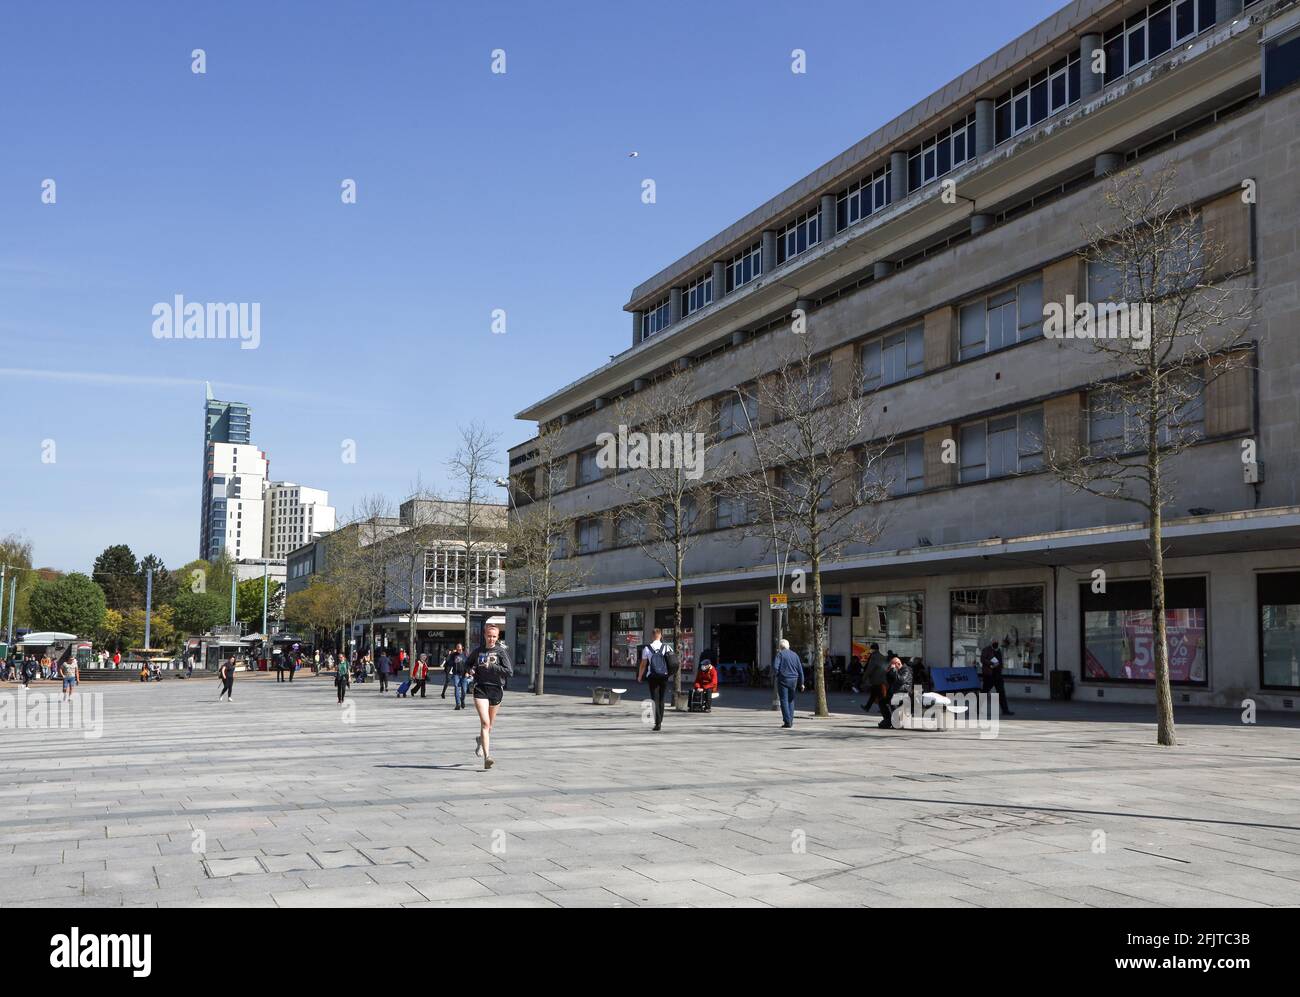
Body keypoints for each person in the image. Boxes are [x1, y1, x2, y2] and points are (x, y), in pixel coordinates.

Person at [467, 624, 513, 770]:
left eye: (494, 636)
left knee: (489, 725)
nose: (491, 639)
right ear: (484, 635)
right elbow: (466, 664)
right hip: (480, 688)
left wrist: (491, 666)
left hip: (496, 690)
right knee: (485, 724)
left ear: (497, 637)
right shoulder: (478, 651)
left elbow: (509, 671)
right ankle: (487, 757)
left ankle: (480, 740)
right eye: (489, 635)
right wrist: (471, 670)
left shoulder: (501, 652)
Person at [636, 628, 675, 732]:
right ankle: (660, 720)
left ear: (652, 636)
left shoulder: (647, 648)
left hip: (652, 676)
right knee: (662, 699)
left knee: (655, 699)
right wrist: (670, 674)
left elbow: (643, 664)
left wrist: (640, 676)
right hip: (664, 676)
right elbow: (673, 662)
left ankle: (657, 723)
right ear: (661, 636)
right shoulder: (667, 647)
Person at [772, 638, 805, 729]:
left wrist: (777, 675)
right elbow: (800, 670)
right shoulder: (795, 655)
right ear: (788, 646)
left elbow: (775, 667)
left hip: (783, 680)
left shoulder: (780, 654)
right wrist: (801, 683)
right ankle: (790, 719)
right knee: (791, 700)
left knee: (784, 700)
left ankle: (787, 721)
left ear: (780, 647)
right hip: (794, 680)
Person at [980, 640, 1014, 715]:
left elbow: (1000, 661)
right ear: (992, 642)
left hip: (998, 675)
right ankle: (977, 709)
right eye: (994, 641)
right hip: (989, 675)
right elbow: (982, 659)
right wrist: (991, 663)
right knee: (984, 692)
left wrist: (1000, 666)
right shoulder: (986, 649)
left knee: (1001, 693)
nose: (996, 643)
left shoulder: (999, 650)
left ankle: (1005, 710)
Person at [881, 655, 915, 729]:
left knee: (894, 701)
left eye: (893, 665)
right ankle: (888, 720)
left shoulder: (906, 670)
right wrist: (888, 672)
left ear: (898, 664)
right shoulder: (896, 670)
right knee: (882, 701)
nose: (892, 667)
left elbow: (900, 680)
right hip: (896, 692)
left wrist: (893, 670)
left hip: (905, 692)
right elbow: (889, 681)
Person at [861, 642, 890, 723]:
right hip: (882, 679)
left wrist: (864, 678)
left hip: (876, 680)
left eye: (871, 649)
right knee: (875, 694)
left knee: (880, 697)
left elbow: (870, 669)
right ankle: (867, 707)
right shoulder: (882, 657)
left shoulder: (874, 657)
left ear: (873, 649)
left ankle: (884, 712)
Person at [443, 643, 468, 709]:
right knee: (456, 687)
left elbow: (469, 663)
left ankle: (462, 700)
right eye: (457, 649)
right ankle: (458, 704)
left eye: (459, 649)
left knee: (464, 690)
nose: (458, 650)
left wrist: (468, 672)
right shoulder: (453, 655)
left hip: (464, 674)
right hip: (456, 674)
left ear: (462, 648)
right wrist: (450, 654)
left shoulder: (465, 654)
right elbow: (448, 662)